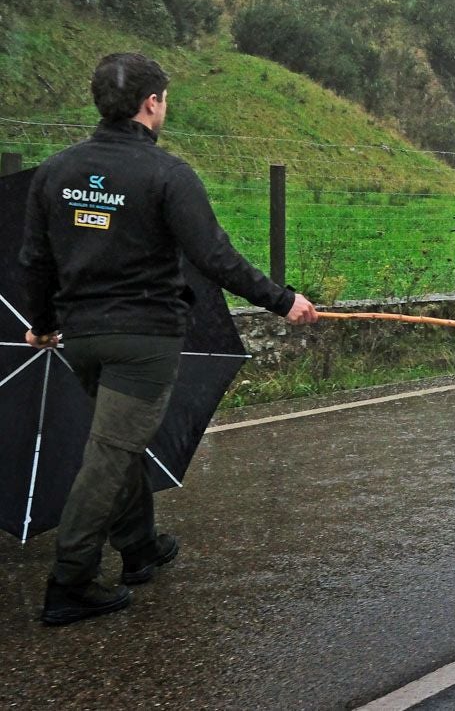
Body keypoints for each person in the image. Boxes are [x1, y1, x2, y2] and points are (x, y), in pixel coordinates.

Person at [20, 53, 318, 625]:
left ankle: (139, 548)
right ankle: (70, 580)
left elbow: (34, 260)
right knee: (110, 452)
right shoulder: (166, 174)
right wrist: (283, 300)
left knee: (120, 442)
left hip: (81, 335)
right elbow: (213, 256)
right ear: (151, 103)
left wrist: (41, 321)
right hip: (144, 340)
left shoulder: (55, 171)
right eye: (164, 100)